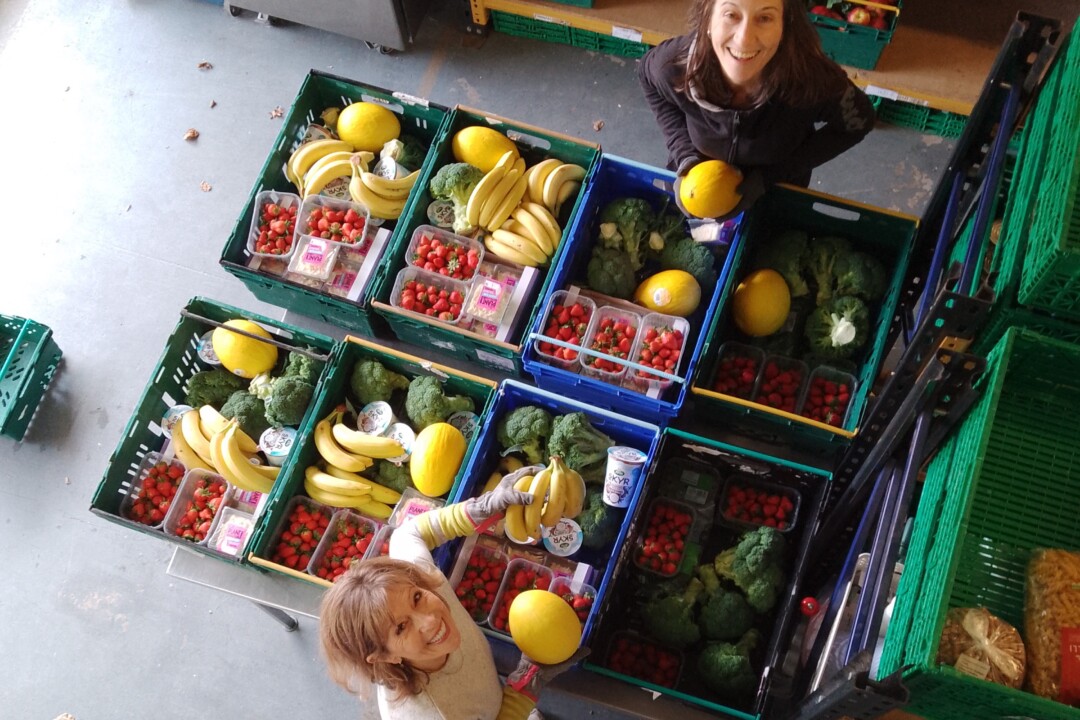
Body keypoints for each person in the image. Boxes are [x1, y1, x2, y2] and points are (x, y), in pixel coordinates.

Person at [319, 473, 586, 720]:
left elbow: (408, 533)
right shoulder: (432, 714)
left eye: (416, 599)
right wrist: (525, 686)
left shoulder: (421, 580)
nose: (429, 619)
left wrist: (479, 509)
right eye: (401, 627)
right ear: (385, 657)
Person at [639, 0, 876, 220]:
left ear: (786, 26)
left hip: (776, 188)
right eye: (731, 14)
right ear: (707, 19)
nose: (744, 39)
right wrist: (684, 154)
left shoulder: (813, 80)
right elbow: (648, 79)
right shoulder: (675, 65)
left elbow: (859, 122)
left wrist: (771, 176)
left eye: (765, 18)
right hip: (699, 184)